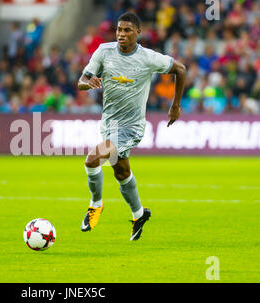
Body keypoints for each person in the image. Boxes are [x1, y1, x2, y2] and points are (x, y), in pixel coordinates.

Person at [77, 12, 186, 241]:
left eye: (127, 30)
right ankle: (139, 214)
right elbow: (82, 81)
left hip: (132, 126)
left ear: (138, 32)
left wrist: (175, 105)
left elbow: (180, 70)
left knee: (93, 158)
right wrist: (89, 83)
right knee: (121, 171)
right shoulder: (104, 52)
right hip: (109, 124)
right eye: (118, 29)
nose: (121, 34)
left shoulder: (148, 58)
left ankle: (95, 205)